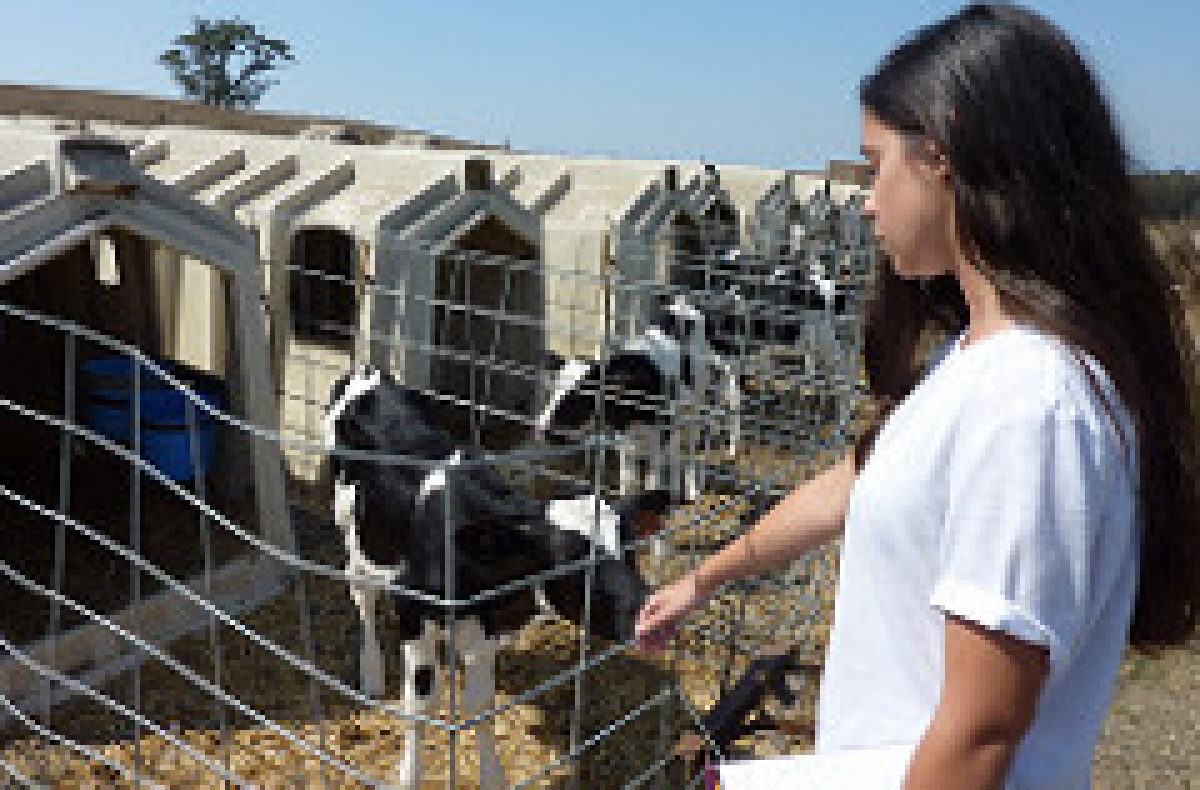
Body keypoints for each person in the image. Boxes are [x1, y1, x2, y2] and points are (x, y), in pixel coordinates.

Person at [634, 4, 1200, 788]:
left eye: (875, 166)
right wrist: (700, 580)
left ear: (943, 153)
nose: (866, 200)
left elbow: (978, 739)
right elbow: (853, 484)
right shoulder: (972, 363)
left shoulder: (1030, 405)